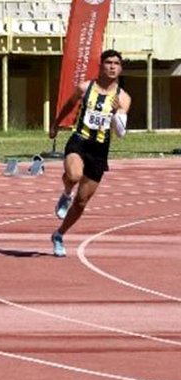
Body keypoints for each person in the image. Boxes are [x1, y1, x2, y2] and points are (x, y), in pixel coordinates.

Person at [48, 48, 130, 258]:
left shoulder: (123, 98)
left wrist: (115, 113)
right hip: (80, 141)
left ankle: (59, 235)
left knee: (82, 201)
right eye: (108, 62)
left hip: (100, 149)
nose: (112, 66)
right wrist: (56, 124)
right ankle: (66, 193)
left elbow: (120, 133)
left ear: (120, 69)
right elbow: (69, 104)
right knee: (74, 175)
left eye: (116, 63)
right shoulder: (85, 87)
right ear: (101, 65)